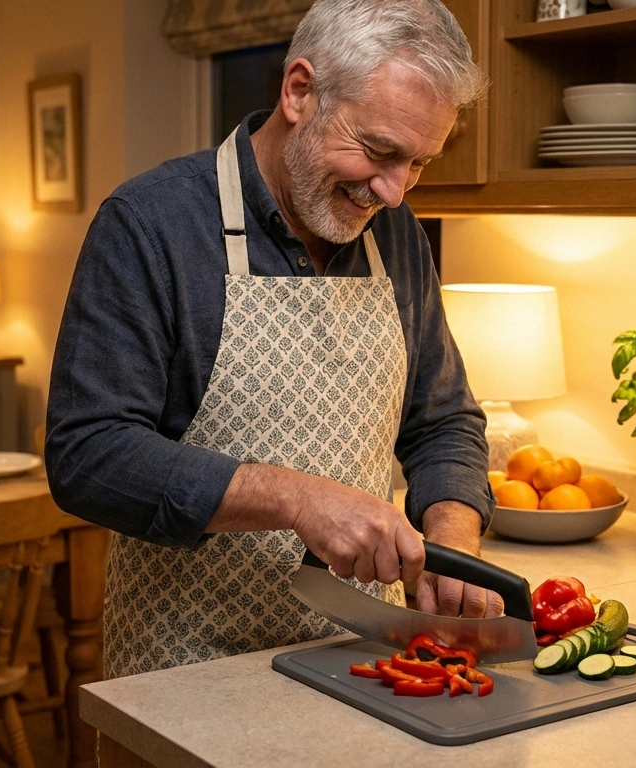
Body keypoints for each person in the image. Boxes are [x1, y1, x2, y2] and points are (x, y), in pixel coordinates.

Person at [47, 0, 497, 678]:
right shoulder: (151, 224)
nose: (396, 192)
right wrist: (296, 497)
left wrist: (452, 544)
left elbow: (442, 420)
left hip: (361, 660)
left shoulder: (396, 236)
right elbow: (88, 456)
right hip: (185, 669)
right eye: (379, 152)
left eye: (420, 163)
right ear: (298, 91)